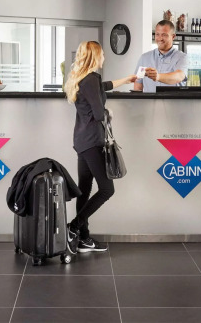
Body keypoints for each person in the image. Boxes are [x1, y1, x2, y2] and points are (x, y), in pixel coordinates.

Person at [63, 41, 136, 253]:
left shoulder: (83, 79)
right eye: (102, 54)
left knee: (84, 190)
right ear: (95, 56)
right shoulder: (92, 79)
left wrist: (127, 79)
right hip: (93, 141)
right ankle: (73, 227)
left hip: (81, 141)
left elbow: (104, 86)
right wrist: (108, 113)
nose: (104, 57)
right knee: (106, 189)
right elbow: (98, 113)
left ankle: (83, 239)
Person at [133, 20, 188, 93]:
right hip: (149, 101)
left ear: (173, 36)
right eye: (157, 34)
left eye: (164, 35)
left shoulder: (181, 57)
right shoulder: (144, 58)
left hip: (173, 100)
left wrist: (158, 76)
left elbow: (179, 76)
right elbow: (138, 84)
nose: (160, 38)